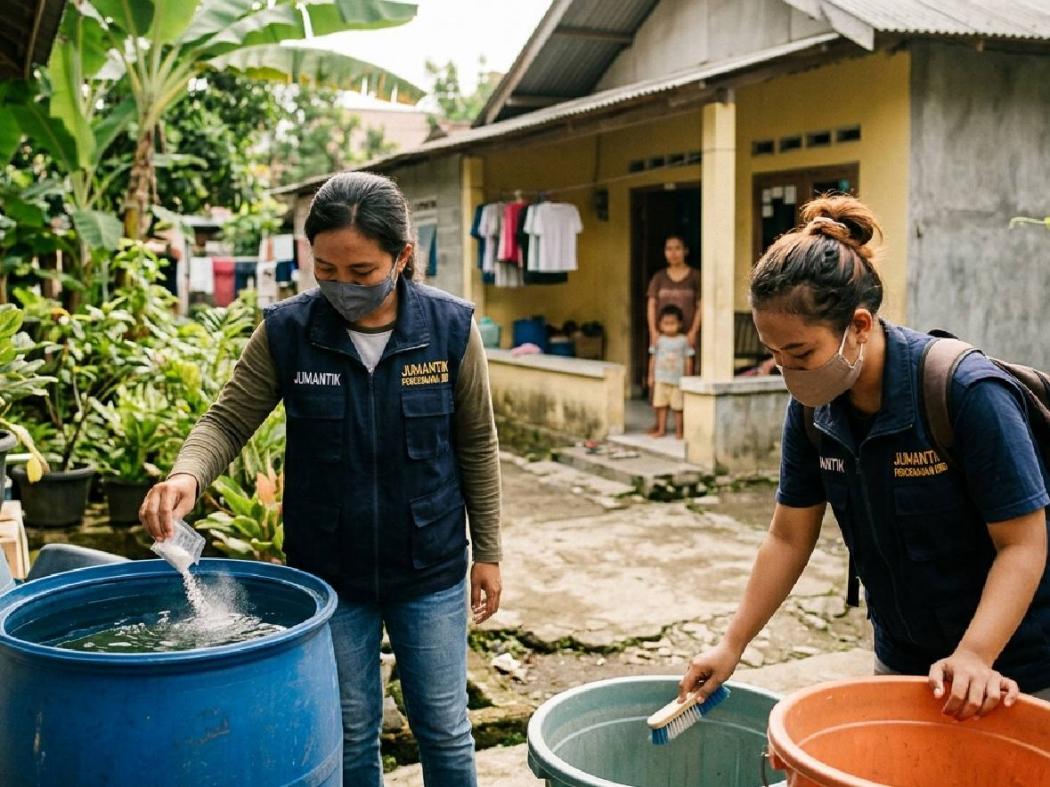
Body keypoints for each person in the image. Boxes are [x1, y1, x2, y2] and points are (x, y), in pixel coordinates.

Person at [140, 172, 503, 786]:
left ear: (402, 257)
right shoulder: (288, 332)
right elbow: (228, 419)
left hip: (431, 568)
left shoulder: (449, 330)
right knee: (350, 730)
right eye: (325, 271)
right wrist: (186, 476)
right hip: (330, 574)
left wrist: (488, 551)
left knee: (443, 727)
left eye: (360, 273)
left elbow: (477, 444)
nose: (342, 288)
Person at [679, 194, 1050, 717]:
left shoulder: (965, 392)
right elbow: (788, 535)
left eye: (801, 352)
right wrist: (732, 643)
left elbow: (1023, 545)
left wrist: (975, 655)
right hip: (904, 656)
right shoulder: (814, 410)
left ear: (858, 325)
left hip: (1017, 667)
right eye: (774, 353)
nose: (786, 369)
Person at [648, 305, 694, 439]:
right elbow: (653, 358)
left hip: (677, 381)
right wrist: (651, 375)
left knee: (678, 407)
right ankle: (661, 429)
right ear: (660, 324)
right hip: (661, 379)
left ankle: (680, 431)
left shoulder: (683, 340)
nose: (669, 326)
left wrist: (688, 377)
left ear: (679, 324)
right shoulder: (658, 340)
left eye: (672, 323)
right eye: (666, 323)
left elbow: (688, 359)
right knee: (660, 405)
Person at [647, 234, 701, 349]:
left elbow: (700, 306)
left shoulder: (695, 277)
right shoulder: (658, 277)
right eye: (669, 249)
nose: (673, 253)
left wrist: (693, 332)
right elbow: (651, 305)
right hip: (663, 338)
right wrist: (653, 332)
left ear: (685, 251)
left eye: (677, 248)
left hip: (688, 337)